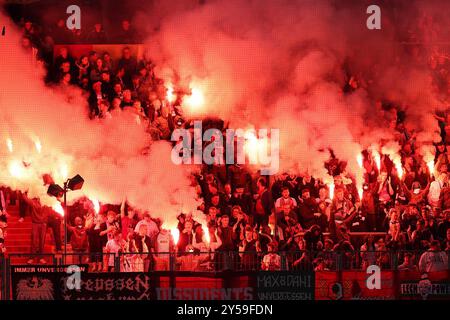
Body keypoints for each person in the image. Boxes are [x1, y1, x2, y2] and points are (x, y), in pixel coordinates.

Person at [24, 196, 48, 264]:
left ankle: (41, 257)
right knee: (34, 241)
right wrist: (21, 190)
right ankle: (32, 257)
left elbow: (52, 209)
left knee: (42, 242)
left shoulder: (47, 202)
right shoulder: (33, 202)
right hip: (35, 223)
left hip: (43, 224)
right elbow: (26, 199)